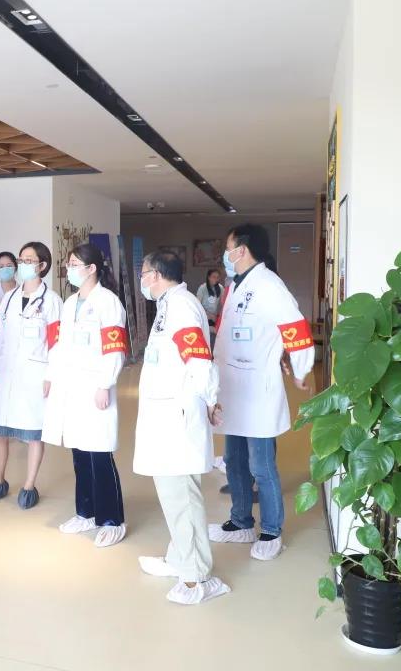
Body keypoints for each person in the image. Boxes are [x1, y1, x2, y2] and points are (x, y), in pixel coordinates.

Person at [208, 224, 314, 561]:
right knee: (235, 461)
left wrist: (301, 368)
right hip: (233, 388)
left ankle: (271, 530)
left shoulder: (269, 285)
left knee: (261, 465)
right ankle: (241, 522)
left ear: (241, 250)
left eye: (228, 248)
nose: (225, 255)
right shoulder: (235, 287)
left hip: (258, 390)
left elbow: (295, 328)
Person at [134, 251, 230, 605]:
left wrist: (211, 399)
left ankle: (196, 578)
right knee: (174, 492)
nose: (142, 279)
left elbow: (199, 360)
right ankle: (180, 558)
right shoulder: (168, 305)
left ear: (157, 275)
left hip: (177, 415)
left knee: (181, 495)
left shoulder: (182, 307)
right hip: (165, 413)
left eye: (144, 272)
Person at [43, 243, 128, 548]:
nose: (69, 270)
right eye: (68, 264)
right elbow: (59, 345)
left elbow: (115, 349)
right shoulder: (69, 304)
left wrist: (105, 384)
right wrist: (50, 376)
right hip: (71, 386)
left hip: (95, 386)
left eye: (74, 264)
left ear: (92, 269)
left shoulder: (108, 303)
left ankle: (112, 520)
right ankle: (86, 512)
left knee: (99, 452)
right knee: (79, 450)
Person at [0, 241, 63, 509]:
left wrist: (51, 375)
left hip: (35, 374)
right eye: (21, 260)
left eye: (29, 260)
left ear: (42, 265)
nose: (23, 264)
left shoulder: (52, 301)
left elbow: (57, 343)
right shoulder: (8, 298)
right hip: (7, 372)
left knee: (33, 433)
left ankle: (29, 485)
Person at [195, 268, 224, 340]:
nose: (216, 279)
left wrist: (219, 316)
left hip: (214, 318)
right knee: (212, 331)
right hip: (204, 316)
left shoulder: (220, 288)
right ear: (209, 277)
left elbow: (223, 303)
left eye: (217, 277)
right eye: (213, 277)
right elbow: (197, 305)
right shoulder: (202, 288)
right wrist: (209, 315)